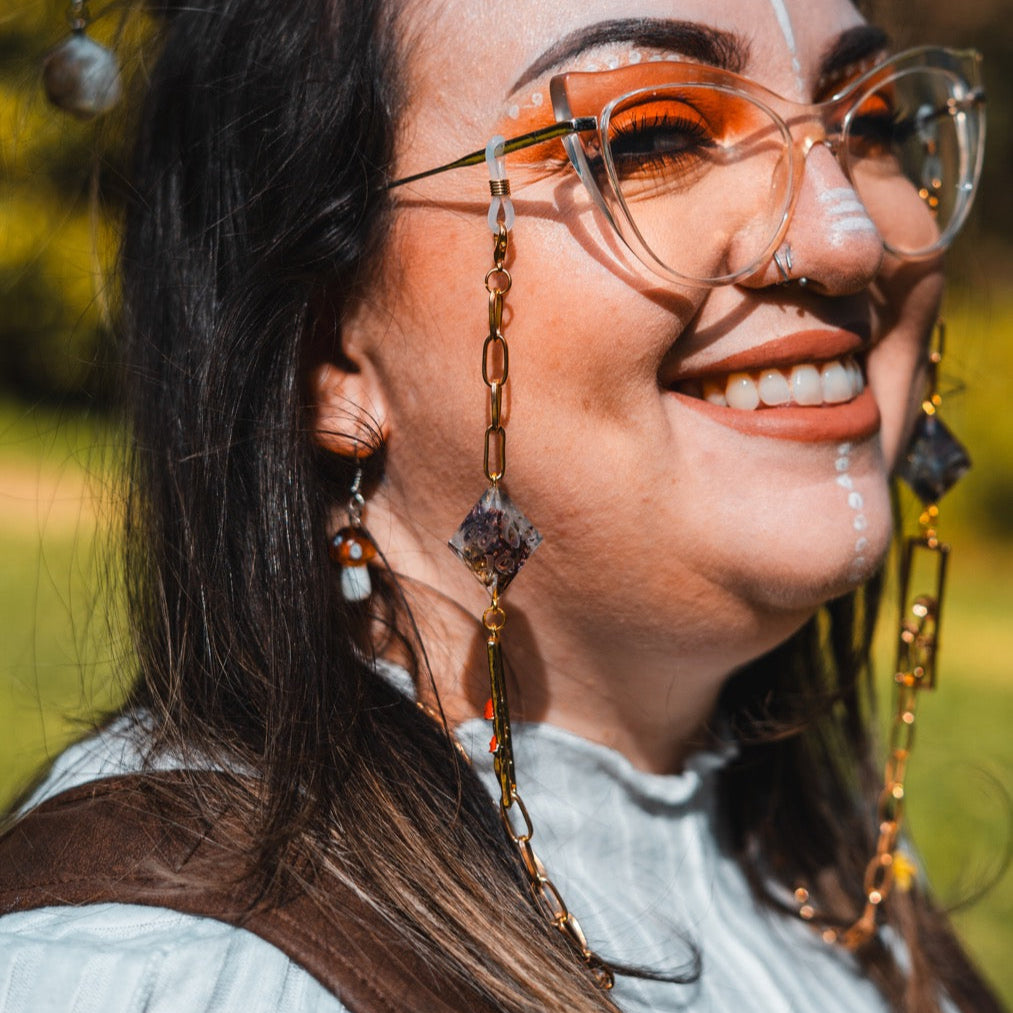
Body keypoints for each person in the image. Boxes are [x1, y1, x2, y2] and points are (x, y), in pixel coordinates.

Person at [0, 0, 1001, 1010]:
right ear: (329, 346)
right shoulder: (171, 974)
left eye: (867, 124)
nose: (846, 237)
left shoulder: (821, 886)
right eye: (649, 136)